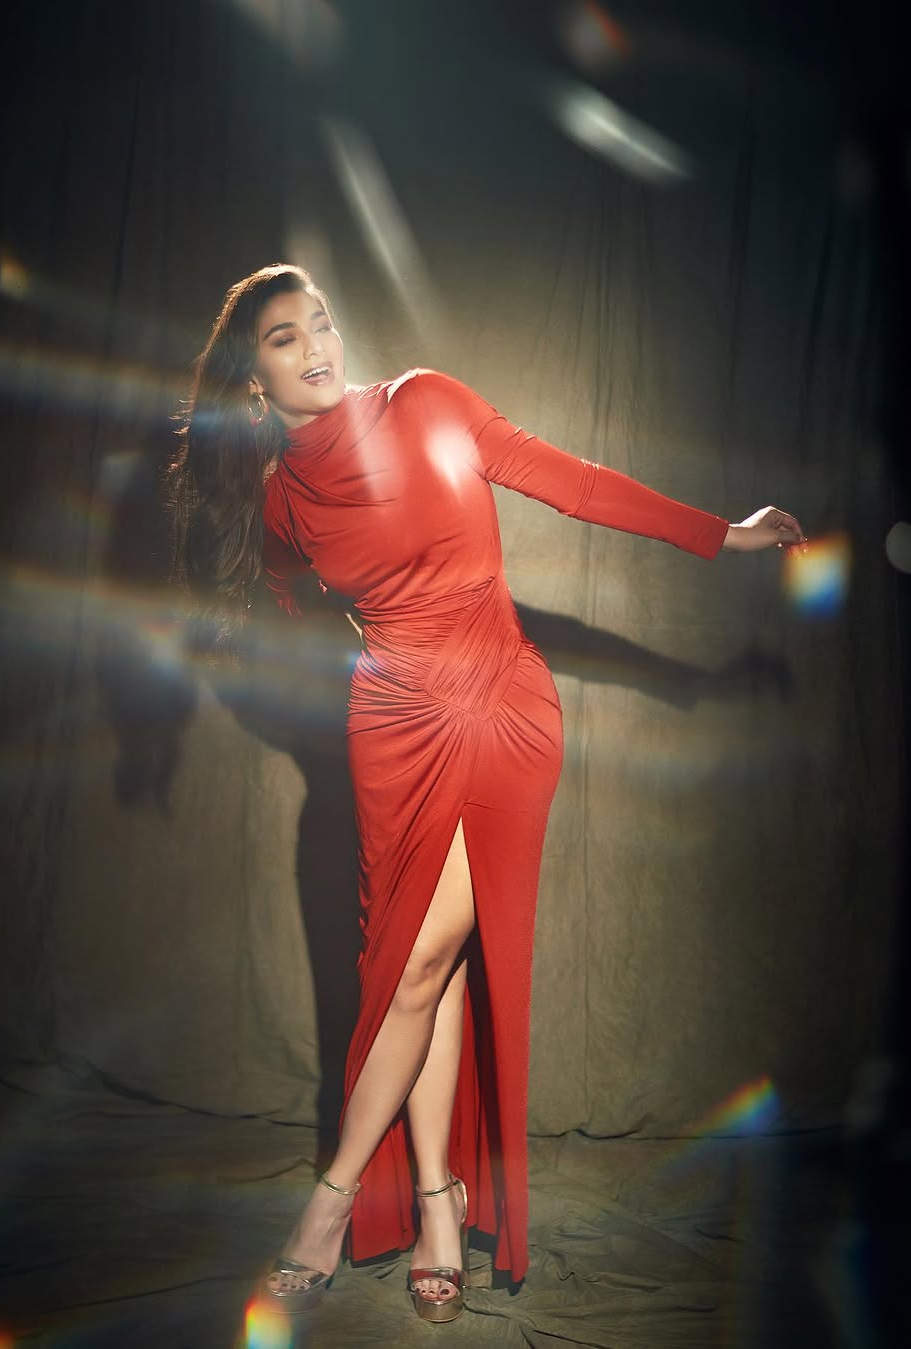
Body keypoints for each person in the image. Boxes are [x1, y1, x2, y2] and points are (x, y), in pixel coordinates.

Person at [169, 263, 804, 1324]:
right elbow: (285, 601)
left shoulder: (425, 400)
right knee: (431, 968)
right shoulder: (279, 505)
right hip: (392, 731)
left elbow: (575, 484)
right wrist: (382, 657)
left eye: (321, 321)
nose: (317, 345)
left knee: (421, 961)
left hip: (503, 707)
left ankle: (332, 1199)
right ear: (253, 379)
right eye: (286, 337)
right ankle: (436, 1202)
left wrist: (724, 533)